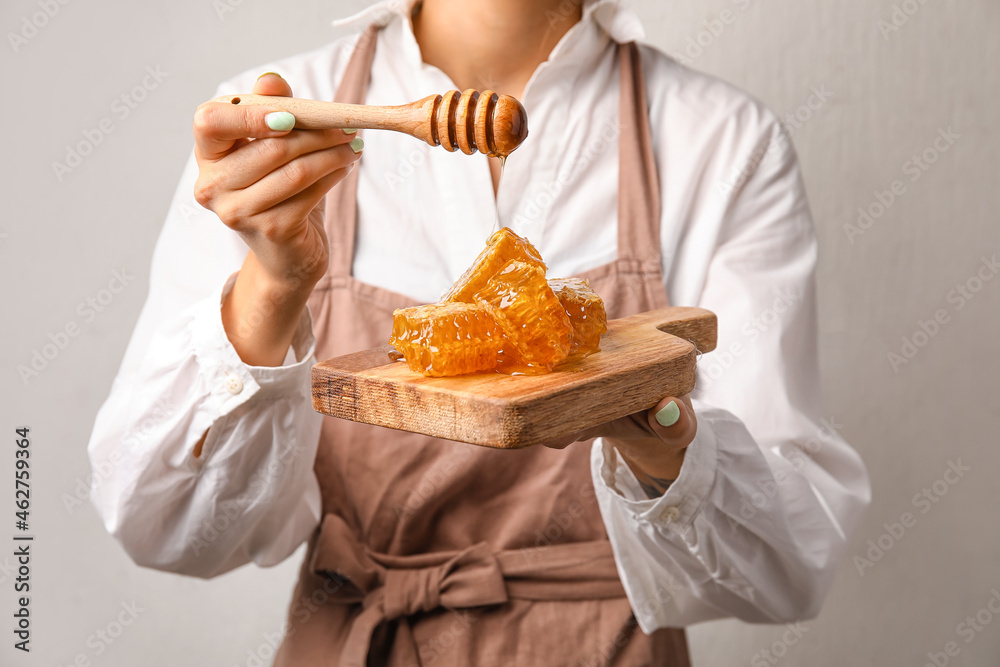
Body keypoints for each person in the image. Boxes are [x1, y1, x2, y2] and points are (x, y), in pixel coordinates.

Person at [88, 0, 871, 664]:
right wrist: (273, 287)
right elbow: (167, 532)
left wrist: (665, 445)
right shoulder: (277, 130)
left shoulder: (724, 143)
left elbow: (787, 572)